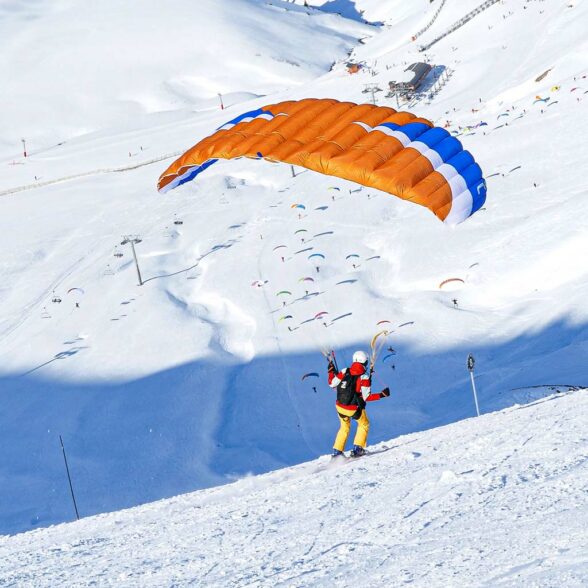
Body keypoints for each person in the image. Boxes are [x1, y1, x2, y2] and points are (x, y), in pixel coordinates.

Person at [327, 350, 390, 458]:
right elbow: (367, 397)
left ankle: (337, 453)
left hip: (339, 406)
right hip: (352, 408)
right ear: (364, 362)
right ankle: (358, 449)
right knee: (364, 424)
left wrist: (331, 371)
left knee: (344, 427)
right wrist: (381, 395)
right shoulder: (364, 377)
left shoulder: (344, 371)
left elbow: (332, 383)